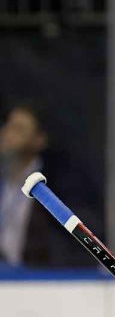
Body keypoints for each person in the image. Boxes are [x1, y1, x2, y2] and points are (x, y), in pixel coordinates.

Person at [0, 103, 50, 266]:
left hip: (33, 279)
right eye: (8, 126)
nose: (8, 134)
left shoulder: (55, 186)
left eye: (19, 129)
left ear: (39, 140)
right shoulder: (3, 179)